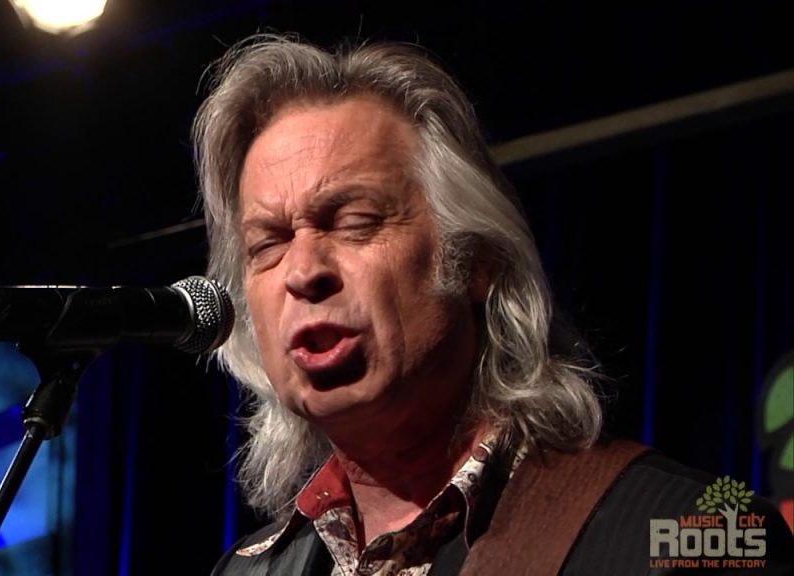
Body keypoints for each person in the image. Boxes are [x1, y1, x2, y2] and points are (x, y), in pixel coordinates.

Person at [190, 33, 794, 575]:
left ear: (476, 259)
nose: (302, 272)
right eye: (267, 245)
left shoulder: (698, 537)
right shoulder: (247, 570)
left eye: (354, 222)